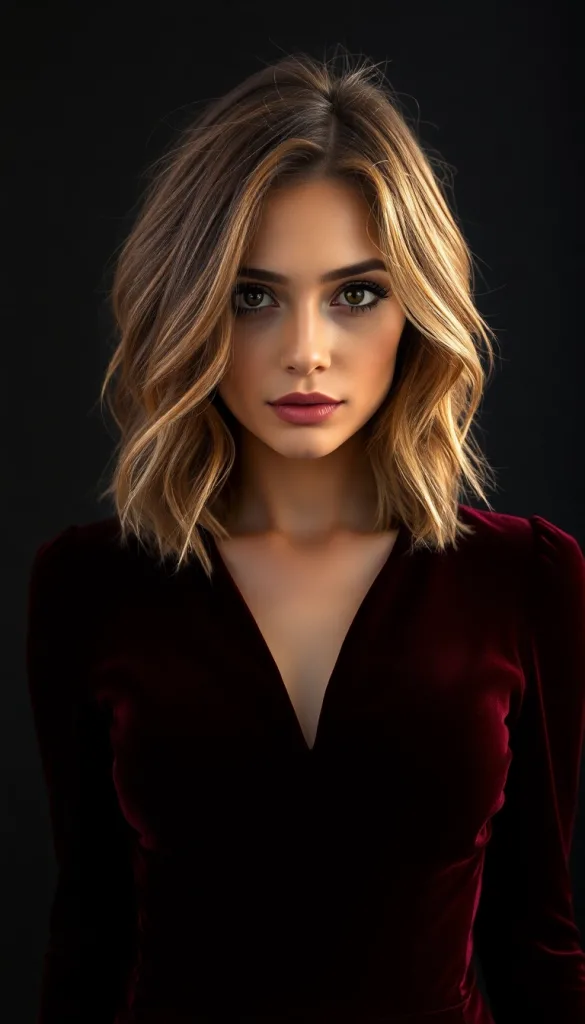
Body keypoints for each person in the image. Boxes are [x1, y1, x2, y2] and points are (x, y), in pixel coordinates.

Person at [25, 47, 585, 1024]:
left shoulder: (527, 577)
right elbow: (88, 939)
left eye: (355, 292)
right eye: (254, 294)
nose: (305, 350)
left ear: (417, 306)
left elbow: (537, 940)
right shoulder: (89, 586)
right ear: (190, 303)